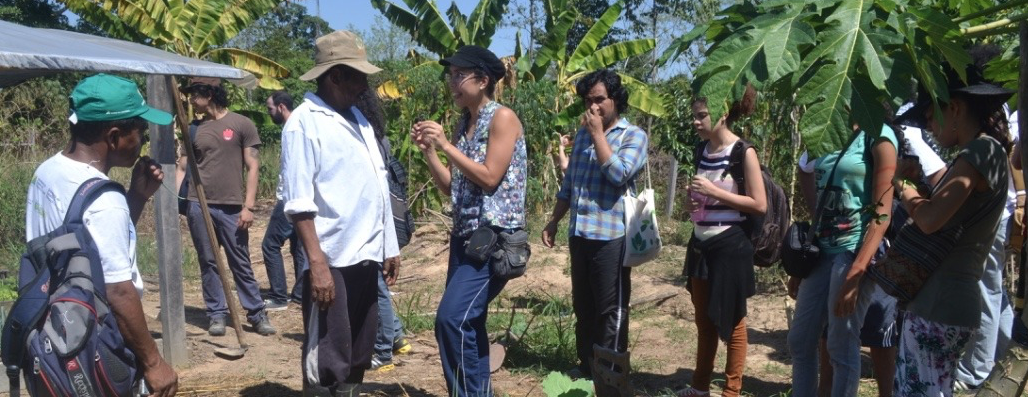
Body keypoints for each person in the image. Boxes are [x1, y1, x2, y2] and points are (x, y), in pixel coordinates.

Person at [25, 74, 179, 396]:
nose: (143, 142)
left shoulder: (47, 173)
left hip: (54, 340)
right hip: (94, 348)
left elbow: (88, 256)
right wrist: (153, 362)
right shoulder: (106, 202)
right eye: (140, 132)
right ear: (114, 137)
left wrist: (135, 197)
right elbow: (118, 291)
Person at [281, 30, 400, 397]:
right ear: (334, 76)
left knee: (358, 349)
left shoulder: (360, 121)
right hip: (331, 257)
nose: (364, 84)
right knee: (327, 354)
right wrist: (317, 264)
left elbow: (379, 186)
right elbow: (299, 202)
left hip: (365, 253)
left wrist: (389, 245)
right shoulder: (304, 122)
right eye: (358, 75)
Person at [891, 53, 1014, 396]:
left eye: (931, 116)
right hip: (947, 301)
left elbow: (930, 220)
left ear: (956, 108)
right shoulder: (986, 153)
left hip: (940, 302)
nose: (929, 126)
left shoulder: (979, 152)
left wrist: (903, 186)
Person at [412, 45, 526, 396]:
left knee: (451, 319)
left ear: (483, 79)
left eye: (460, 74)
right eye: (451, 74)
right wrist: (431, 153)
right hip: (466, 238)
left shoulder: (501, 118)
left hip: (492, 240)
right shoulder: (465, 123)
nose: (452, 81)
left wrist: (446, 146)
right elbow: (451, 188)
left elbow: (490, 177)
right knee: (469, 322)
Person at [541, 69, 649, 380]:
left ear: (615, 99)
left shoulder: (633, 136)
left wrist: (599, 134)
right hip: (580, 233)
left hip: (612, 237)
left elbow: (619, 174)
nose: (593, 107)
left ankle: (610, 372)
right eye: (589, 101)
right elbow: (569, 185)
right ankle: (587, 366)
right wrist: (553, 221)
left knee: (610, 309)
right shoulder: (582, 138)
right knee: (584, 307)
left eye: (599, 100)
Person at [787, 118, 898, 396]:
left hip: (852, 252)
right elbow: (805, 170)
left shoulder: (879, 135)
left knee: (841, 346)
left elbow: (882, 212)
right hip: (821, 252)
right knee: (800, 340)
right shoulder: (826, 130)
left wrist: (857, 271)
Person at [677, 85, 765, 397]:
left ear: (722, 114)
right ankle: (700, 387)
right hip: (701, 243)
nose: (696, 122)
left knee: (733, 321)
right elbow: (706, 200)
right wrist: (694, 202)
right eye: (694, 117)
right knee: (704, 320)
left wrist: (714, 192)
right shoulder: (703, 151)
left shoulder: (744, 152)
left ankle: (732, 390)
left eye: (702, 116)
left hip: (730, 247)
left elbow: (759, 204)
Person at [176, 76, 275, 337]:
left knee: (240, 261)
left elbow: (253, 166)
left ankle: (256, 313)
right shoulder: (194, 129)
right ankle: (216, 314)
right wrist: (177, 202)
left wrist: (249, 207)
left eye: (194, 95)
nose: (191, 101)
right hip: (200, 205)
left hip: (233, 207)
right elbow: (183, 166)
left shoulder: (242, 124)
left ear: (209, 94)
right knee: (208, 262)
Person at [353, 89, 414, 372]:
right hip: (387, 218)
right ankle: (398, 337)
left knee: (377, 288)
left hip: (377, 221)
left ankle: (383, 352)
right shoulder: (380, 136)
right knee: (378, 285)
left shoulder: (366, 138)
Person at [261, 91, 306, 310]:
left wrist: (285, 199)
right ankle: (299, 294)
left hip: (290, 197)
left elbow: (291, 168)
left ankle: (278, 296)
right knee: (298, 246)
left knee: (270, 245)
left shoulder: (292, 127)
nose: (269, 113)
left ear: (280, 107)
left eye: (270, 109)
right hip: (301, 196)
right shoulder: (299, 124)